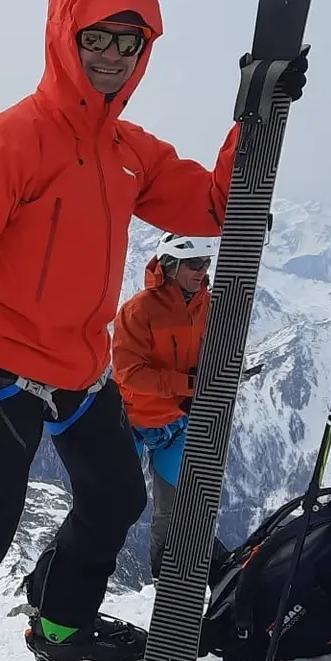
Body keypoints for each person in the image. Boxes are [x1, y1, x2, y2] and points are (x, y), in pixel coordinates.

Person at [0, 0, 306, 661]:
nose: (113, 54)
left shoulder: (125, 150)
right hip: (1, 371)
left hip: (81, 374)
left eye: (131, 41)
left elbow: (214, 206)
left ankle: (60, 624)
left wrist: (254, 116)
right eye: (98, 38)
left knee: (114, 496)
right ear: (63, 35)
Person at [113, 233, 216, 578]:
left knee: (173, 509)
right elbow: (129, 374)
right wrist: (187, 385)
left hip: (176, 423)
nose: (202, 271)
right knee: (115, 505)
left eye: (206, 263)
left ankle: (164, 574)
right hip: (133, 421)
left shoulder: (209, 307)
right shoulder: (138, 310)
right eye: (194, 264)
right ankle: (84, 568)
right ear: (170, 266)